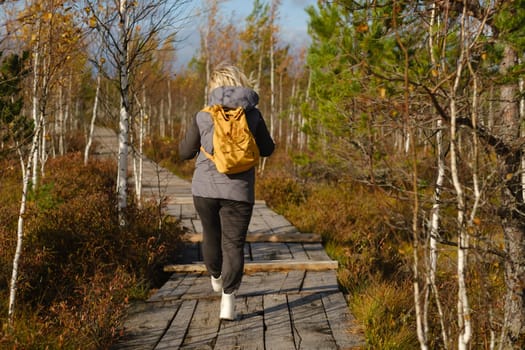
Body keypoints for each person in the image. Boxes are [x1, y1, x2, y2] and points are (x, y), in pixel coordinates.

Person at [178, 64, 275, 321]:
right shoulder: (253, 116)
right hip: (239, 193)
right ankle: (228, 302)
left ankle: (216, 277)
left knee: (211, 235)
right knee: (233, 245)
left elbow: (185, 152)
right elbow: (267, 149)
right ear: (240, 82)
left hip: (205, 190)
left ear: (214, 87)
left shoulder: (203, 116)